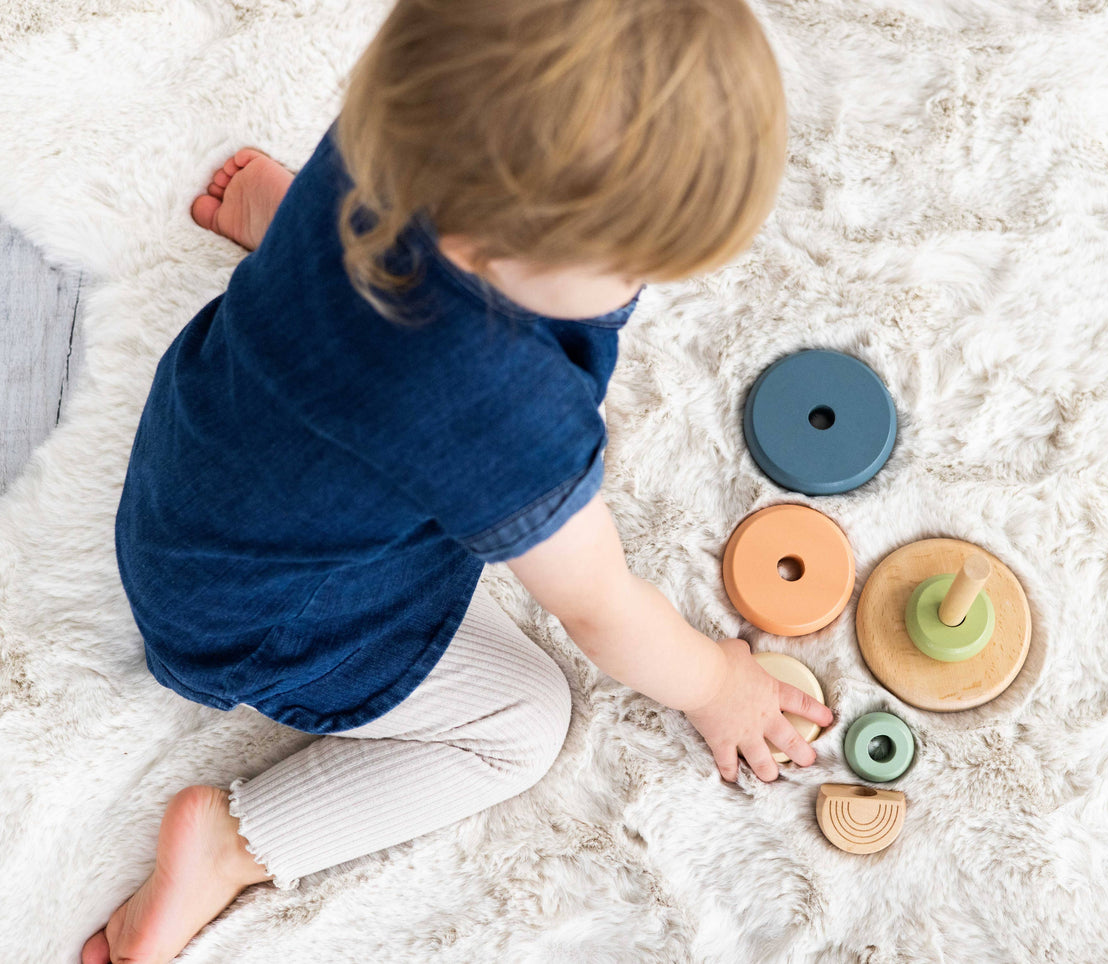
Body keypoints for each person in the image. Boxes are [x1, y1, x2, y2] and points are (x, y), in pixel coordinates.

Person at [83, 0, 833, 960]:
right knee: (523, 723)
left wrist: (298, 223)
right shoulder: (497, 405)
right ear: (498, 261)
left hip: (202, 461)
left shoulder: (401, 121)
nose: (639, 288)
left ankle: (287, 237)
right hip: (259, 618)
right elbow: (599, 606)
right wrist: (717, 683)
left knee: (336, 321)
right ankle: (229, 844)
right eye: (632, 268)